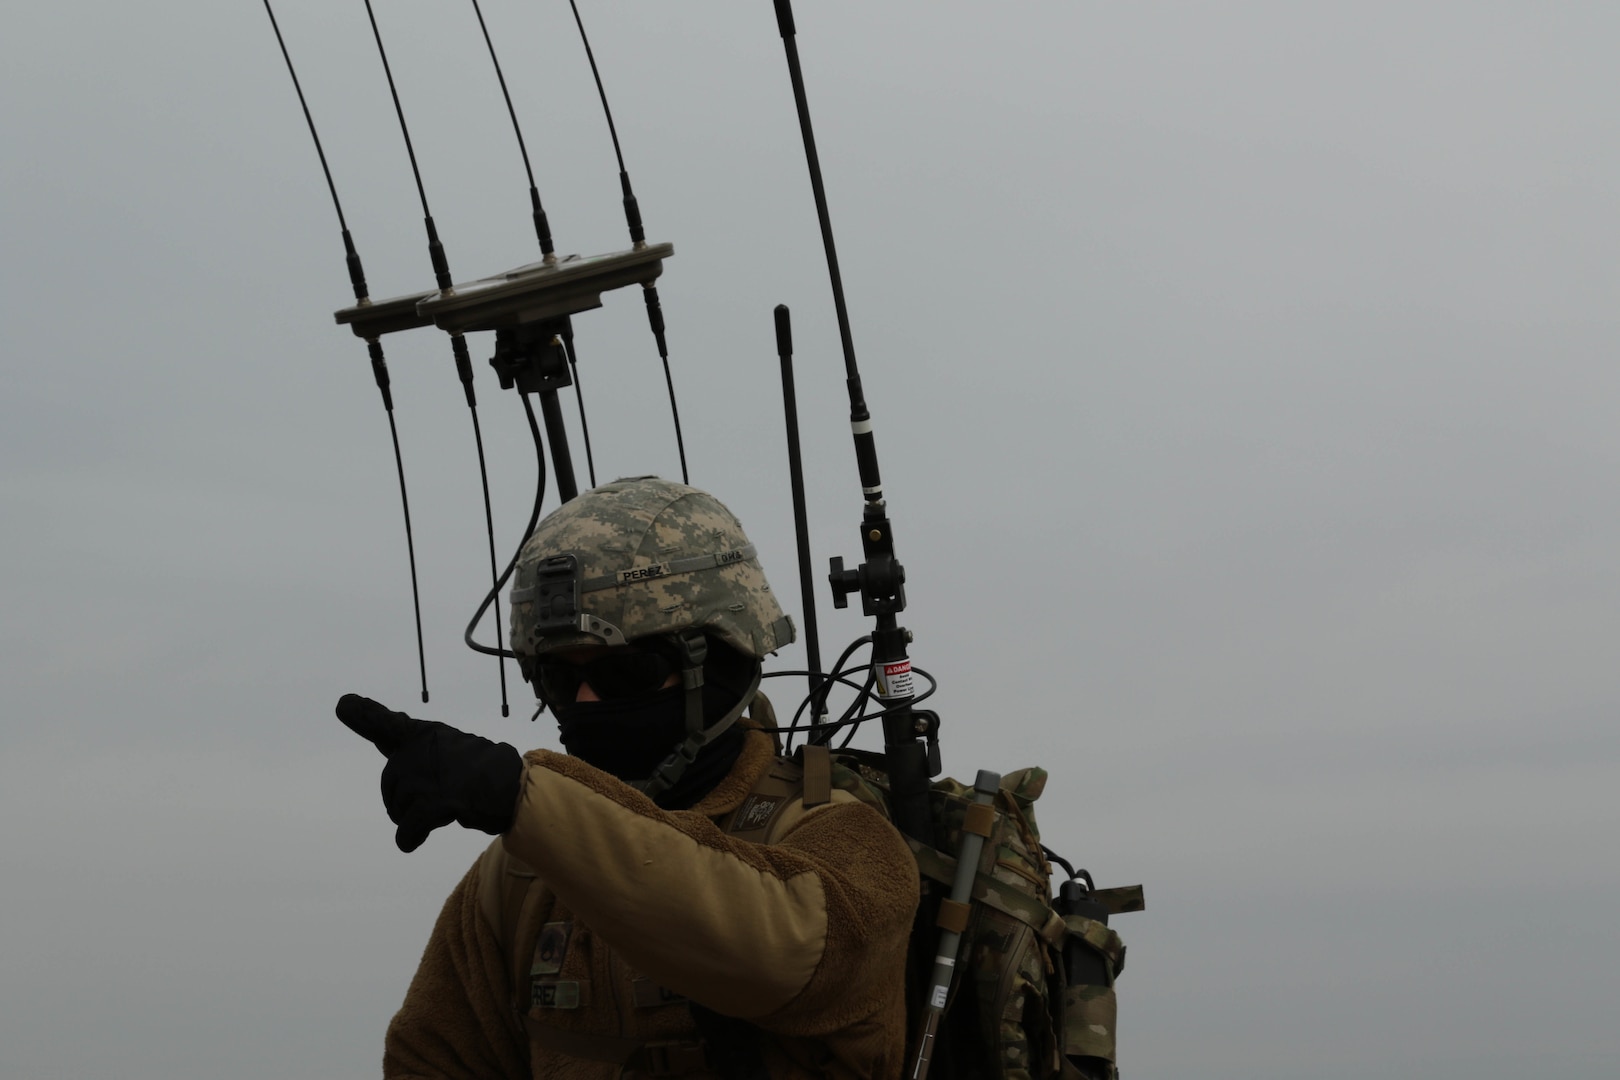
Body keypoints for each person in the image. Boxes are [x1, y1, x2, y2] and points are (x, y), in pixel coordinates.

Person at [336, 476, 920, 1079]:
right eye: (559, 682)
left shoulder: (842, 834)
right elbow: (432, 1059)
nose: (586, 702)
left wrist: (523, 799)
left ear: (722, 662)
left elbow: (779, 951)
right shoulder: (518, 878)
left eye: (625, 674)